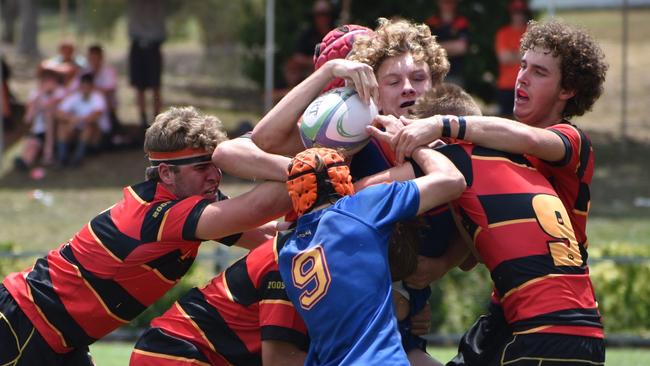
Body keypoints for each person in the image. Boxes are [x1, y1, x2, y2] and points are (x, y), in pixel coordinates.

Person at [367, 19, 608, 366]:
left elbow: (526, 138)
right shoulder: (496, 151)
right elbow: (474, 247)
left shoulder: (570, 141)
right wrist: (436, 266)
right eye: (522, 65)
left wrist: (441, 125)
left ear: (567, 89)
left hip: (549, 307)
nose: (522, 77)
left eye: (539, 72)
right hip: (512, 307)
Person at [0, 106, 292, 365]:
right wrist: (319, 164)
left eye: (218, 166)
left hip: (58, 336)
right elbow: (262, 206)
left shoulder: (187, 206)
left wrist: (326, 74)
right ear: (166, 173)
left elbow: (270, 238)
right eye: (202, 167)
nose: (215, 176)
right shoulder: (163, 216)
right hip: (24, 323)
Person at [278, 147, 465, 365]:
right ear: (343, 179)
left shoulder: (287, 250)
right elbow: (452, 181)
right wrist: (417, 147)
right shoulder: (360, 207)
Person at [130, 235, 309, 366]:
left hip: (177, 349)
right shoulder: (289, 258)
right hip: (175, 354)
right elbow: (280, 360)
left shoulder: (301, 248)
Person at [281, 0, 336, 99]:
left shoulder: (336, 32)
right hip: (311, 73)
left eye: (325, 14)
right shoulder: (307, 35)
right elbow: (297, 57)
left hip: (334, 73)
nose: (322, 18)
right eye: (318, 14)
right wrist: (319, 62)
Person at [14, 69, 65, 170]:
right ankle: (25, 162)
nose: (47, 82)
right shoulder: (36, 93)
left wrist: (42, 98)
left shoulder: (60, 91)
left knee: (48, 115)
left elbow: (52, 104)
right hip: (38, 128)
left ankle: (46, 156)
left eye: (49, 79)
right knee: (31, 144)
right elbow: (28, 117)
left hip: (53, 127)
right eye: (45, 79)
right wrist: (40, 95)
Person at [55, 72, 107, 166]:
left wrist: (76, 120)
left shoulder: (97, 97)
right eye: (83, 87)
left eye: (87, 87)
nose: (85, 90)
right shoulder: (74, 97)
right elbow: (59, 113)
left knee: (88, 127)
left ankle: (78, 158)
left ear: (92, 86)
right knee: (62, 126)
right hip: (76, 129)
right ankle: (62, 158)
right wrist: (70, 119)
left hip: (95, 134)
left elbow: (95, 115)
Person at [128, 0, 166, 128]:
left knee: (155, 86)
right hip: (137, 45)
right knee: (140, 87)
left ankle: (157, 120)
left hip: (153, 46)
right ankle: (143, 121)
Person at [494, 0, 530, 118]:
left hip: (527, 85)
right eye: (515, 12)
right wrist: (524, 55)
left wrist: (513, 54)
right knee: (505, 122)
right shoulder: (503, 33)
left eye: (521, 12)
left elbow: (535, 59)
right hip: (506, 86)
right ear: (511, 14)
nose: (518, 16)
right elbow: (504, 58)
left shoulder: (531, 33)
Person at [425, 0, 469, 86]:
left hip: (455, 73)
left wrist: (437, 47)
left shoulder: (461, 22)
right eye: (445, 2)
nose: (447, 5)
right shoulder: (431, 22)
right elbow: (427, 48)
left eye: (450, 2)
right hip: (435, 73)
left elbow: (461, 48)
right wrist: (452, 47)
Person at [85, 44, 120, 139]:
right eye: (92, 58)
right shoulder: (84, 71)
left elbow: (109, 89)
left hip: (105, 104)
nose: (94, 60)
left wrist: (91, 89)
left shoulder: (109, 71)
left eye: (96, 57)